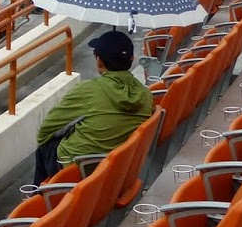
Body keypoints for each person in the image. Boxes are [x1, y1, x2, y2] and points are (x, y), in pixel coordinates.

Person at [33, 30, 156, 178]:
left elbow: (44, 132)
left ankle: (37, 198)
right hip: (117, 167)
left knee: (43, 149)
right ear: (132, 59)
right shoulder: (146, 96)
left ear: (99, 61)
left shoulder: (87, 90)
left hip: (80, 168)